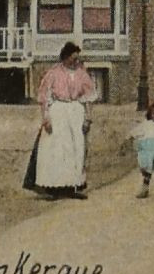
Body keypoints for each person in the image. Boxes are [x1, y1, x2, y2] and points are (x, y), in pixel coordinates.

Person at [24, 42, 98, 199]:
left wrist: (88, 118)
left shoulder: (81, 74)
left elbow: (88, 98)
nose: (75, 62)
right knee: (56, 149)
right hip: (58, 112)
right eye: (72, 59)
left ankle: (72, 186)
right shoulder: (53, 73)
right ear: (65, 57)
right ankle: (52, 187)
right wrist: (46, 119)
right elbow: (44, 98)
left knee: (76, 149)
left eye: (77, 59)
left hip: (76, 113)